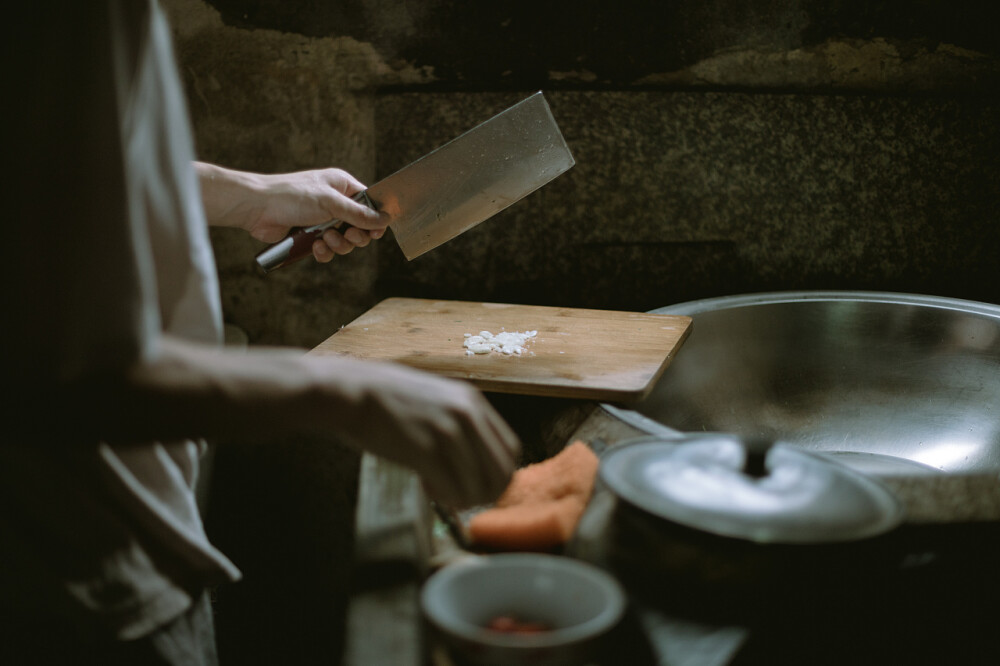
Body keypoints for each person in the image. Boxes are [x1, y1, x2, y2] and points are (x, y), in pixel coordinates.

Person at [1, 1, 520, 664]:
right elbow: (50, 374)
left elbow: (51, 170)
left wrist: (252, 195)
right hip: (68, 573)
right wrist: (342, 386)